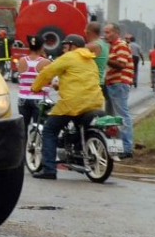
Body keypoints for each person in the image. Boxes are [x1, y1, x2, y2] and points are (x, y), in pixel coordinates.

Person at [30, 34, 106, 179]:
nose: (64, 49)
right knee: (77, 128)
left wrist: (35, 87)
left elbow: (47, 72)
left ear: (73, 46)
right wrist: (59, 85)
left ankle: (49, 169)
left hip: (72, 104)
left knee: (49, 130)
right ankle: (78, 156)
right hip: (94, 102)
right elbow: (80, 80)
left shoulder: (68, 57)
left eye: (65, 46)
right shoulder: (90, 61)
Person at [103, 23, 135, 158]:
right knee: (111, 117)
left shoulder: (120, 45)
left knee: (121, 115)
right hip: (112, 83)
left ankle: (126, 148)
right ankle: (116, 146)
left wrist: (104, 57)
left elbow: (121, 65)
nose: (105, 35)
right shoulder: (112, 47)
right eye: (104, 32)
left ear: (116, 33)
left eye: (108, 32)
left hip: (119, 83)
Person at [16, 36, 51, 127]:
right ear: (41, 47)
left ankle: (24, 141)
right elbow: (49, 80)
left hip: (23, 98)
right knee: (38, 128)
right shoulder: (46, 62)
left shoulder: (22, 60)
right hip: (39, 99)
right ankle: (35, 141)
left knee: (23, 126)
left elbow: (20, 77)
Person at [85, 22, 110, 114]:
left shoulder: (92, 46)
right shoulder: (104, 45)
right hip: (100, 82)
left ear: (88, 32)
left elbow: (74, 56)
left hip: (92, 84)